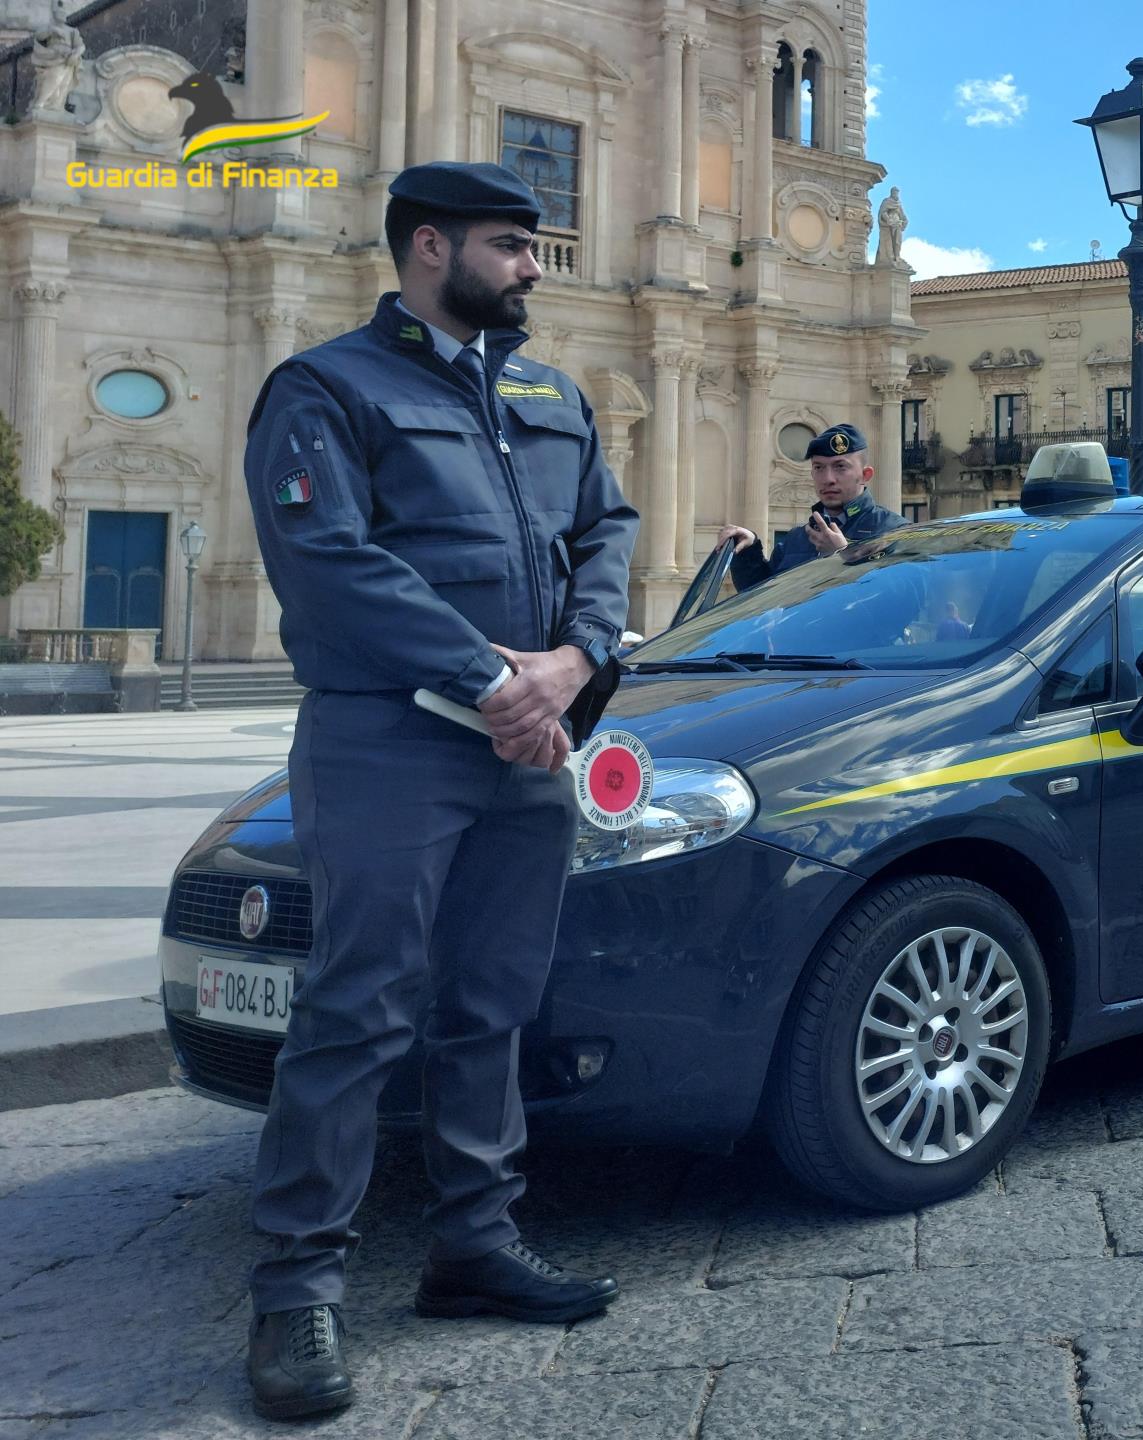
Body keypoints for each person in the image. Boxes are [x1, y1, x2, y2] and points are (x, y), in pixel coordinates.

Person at [239, 161, 639, 1422]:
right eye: (512, 245)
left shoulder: (549, 390)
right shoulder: (324, 387)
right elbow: (328, 566)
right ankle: (297, 1292)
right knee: (357, 1010)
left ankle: (474, 1244)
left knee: (493, 1002)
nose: (535, 266)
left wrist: (579, 657)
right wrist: (491, 680)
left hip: (527, 750)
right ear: (428, 248)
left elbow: (608, 529)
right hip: (389, 744)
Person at [715, 423, 907, 588]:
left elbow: (907, 601)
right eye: (819, 467)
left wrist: (845, 556)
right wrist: (749, 551)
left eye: (840, 466)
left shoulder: (895, 531)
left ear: (865, 475)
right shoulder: (796, 539)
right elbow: (761, 600)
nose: (828, 479)